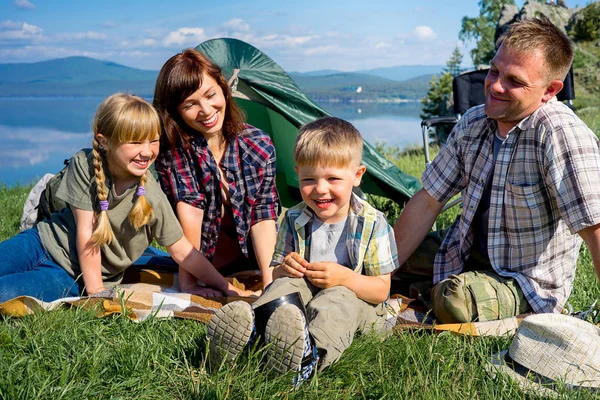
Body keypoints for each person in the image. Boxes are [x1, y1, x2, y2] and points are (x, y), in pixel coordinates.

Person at [393, 17, 600, 323]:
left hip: (525, 280)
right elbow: (427, 201)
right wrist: (384, 266)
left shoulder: (559, 134)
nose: (495, 86)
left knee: (453, 300)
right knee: (375, 255)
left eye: (514, 81)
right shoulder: (474, 122)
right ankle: (413, 293)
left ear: (550, 90)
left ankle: (422, 297)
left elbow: (595, 229)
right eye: (493, 71)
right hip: (464, 248)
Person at [0, 93, 254, 303]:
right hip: (40, 241)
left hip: (70, 275)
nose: (147, 152)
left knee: (5, 293)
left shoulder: (150, 194)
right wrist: (97, 291)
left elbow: (182, 250)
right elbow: (87, 233)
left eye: (153, 141)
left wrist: (226, 287)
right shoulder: (85, 163)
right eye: (135, 142)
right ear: (105, 142)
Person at [206, 116, 398, 385]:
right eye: (309, 179)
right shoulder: (294, 218)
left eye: (332, 178)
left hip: (359, 308)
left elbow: (380, 291)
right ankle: (250, 334)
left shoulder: (372, 222)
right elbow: (273, 273)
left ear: (357, 176)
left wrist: (343, 278)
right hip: (304, 301)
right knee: (284, 286)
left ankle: (308, 359)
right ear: (297, 173)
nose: (320, 189)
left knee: (338, 299)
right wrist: (284, 268)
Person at [153, 49, 279, 293]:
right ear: (175, 111)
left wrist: (270, 285)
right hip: (204, 265)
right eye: (190, 104)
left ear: (223, 89)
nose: (206, 110)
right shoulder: (174, 155)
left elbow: (263, 217)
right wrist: (189, 284)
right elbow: (188, 215)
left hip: (252, 262)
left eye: (211, 95)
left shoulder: (257, 144)